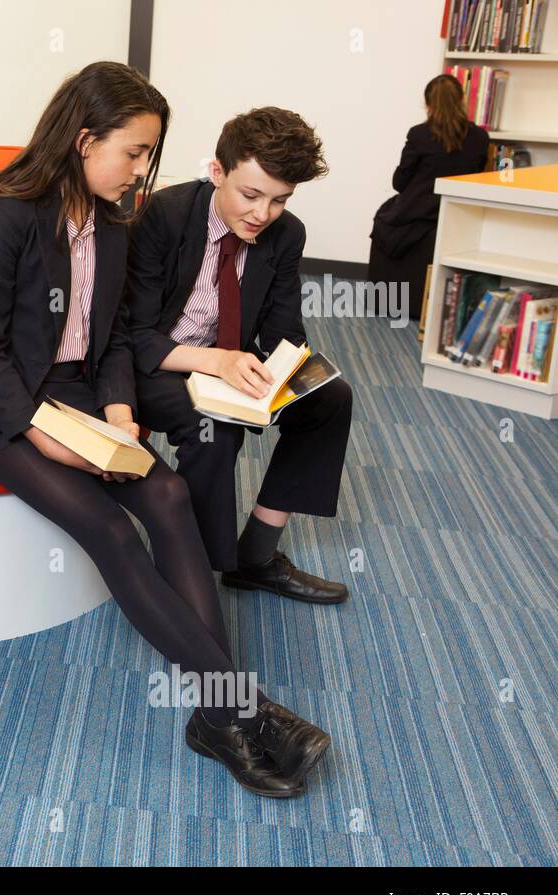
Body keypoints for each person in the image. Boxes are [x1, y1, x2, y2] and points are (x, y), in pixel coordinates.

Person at [0, 64, 329, 797]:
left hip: (83, 393)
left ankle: (217, 715)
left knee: (168, 497)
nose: (142, 169)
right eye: (134, 151)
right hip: (3, 407)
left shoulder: (117, 218)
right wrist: (37, 429)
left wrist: (119, 411)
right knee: (114, 533)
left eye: (150, 154)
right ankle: (236, 710)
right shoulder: (13, 211)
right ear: (86, 140)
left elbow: (118, 336)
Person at [126, 107, 353, 605]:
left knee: (331, 398)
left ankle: (256, 555)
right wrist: (216, 363)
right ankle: (190, 577)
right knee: (215, 429)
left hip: (227, 366)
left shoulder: (286, 233)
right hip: (159, 362)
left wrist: (285, 372)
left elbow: (283, 332)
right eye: (250, 195)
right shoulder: (162, 216)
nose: (262, 214)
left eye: (279, 200)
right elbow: (132, 334)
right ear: (217, 173)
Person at [369, 74, 489, 316]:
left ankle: (385, 302)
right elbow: (477, 177)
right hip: (457, 214)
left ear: (428, 105)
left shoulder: (418, 135)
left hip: (417, 212)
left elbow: (400, 182)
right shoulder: (480, 138)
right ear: (463, 100)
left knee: (384, 218)